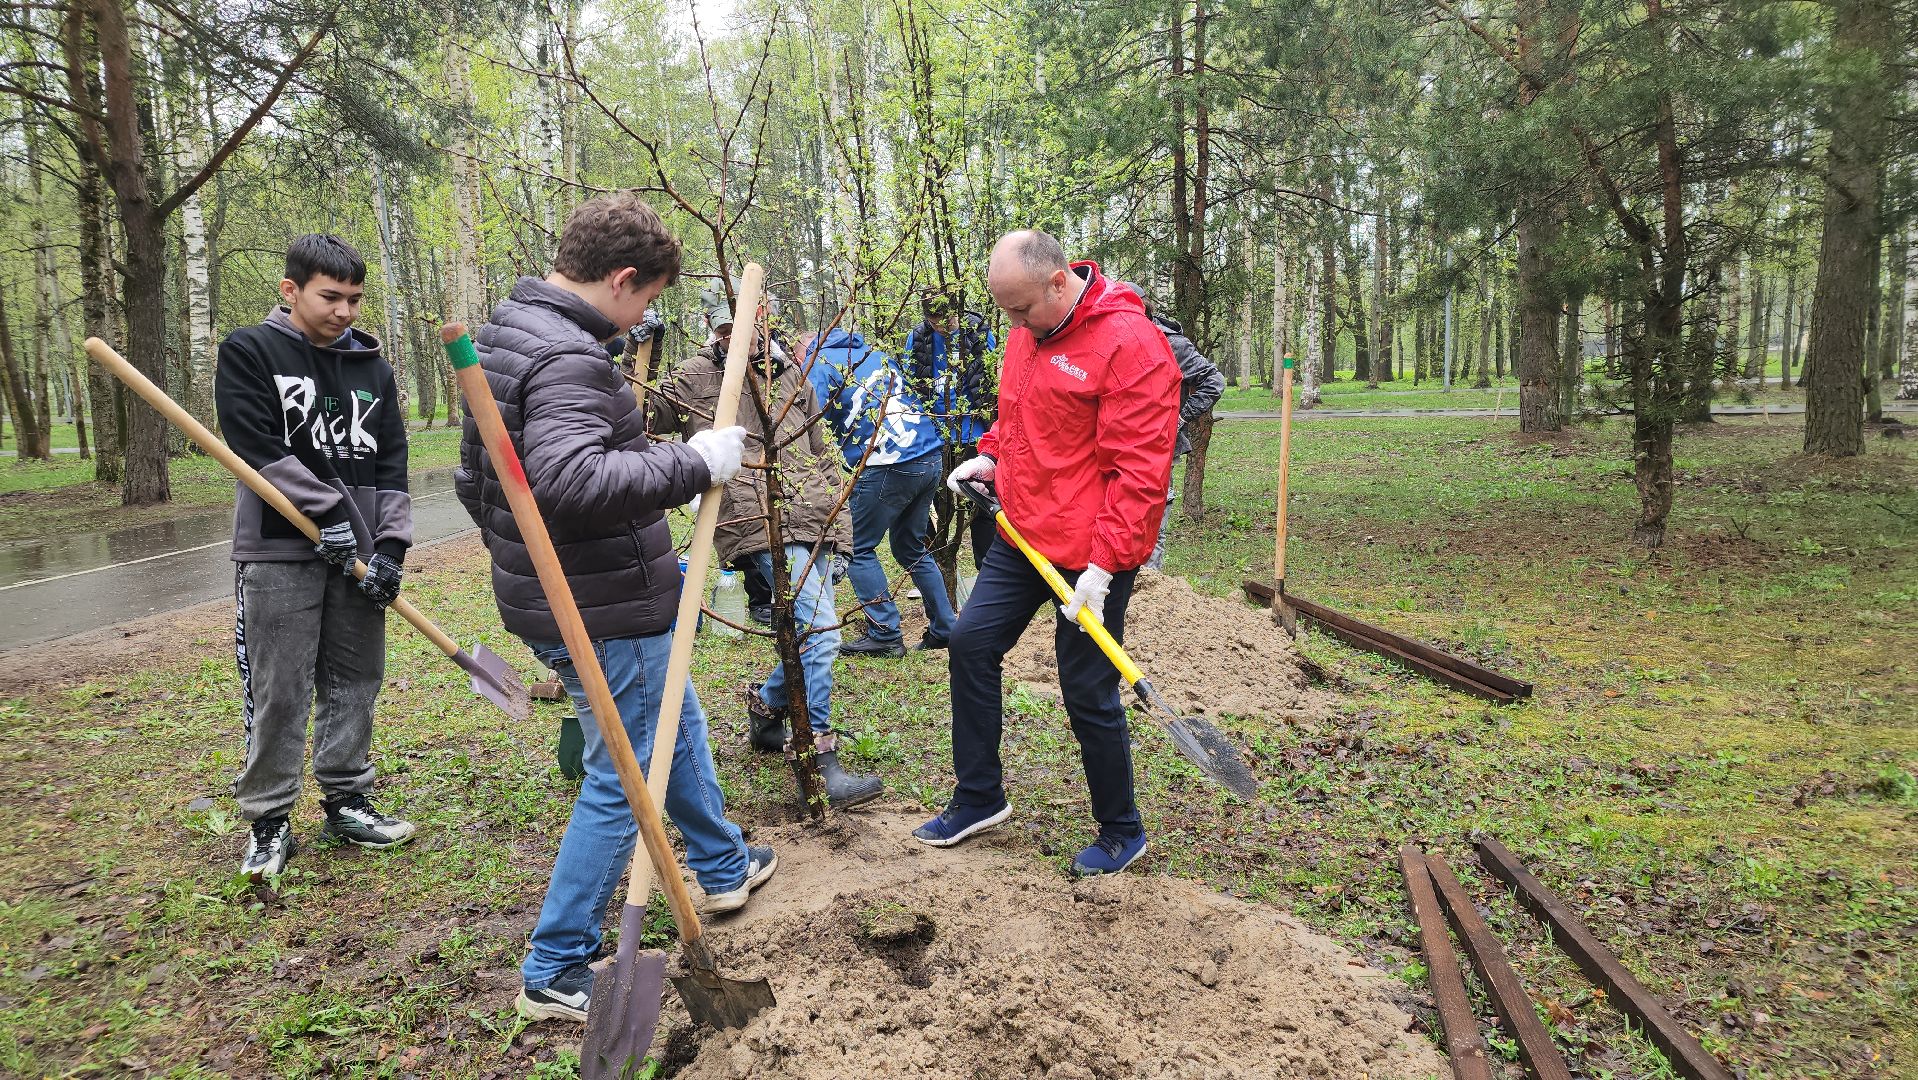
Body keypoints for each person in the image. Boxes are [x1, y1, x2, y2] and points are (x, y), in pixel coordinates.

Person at [454, 194, 774, 1024]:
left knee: (676, 720)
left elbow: (474, 481)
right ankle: (556, 963)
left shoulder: (507, 331)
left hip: (564, 592)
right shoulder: (567, 358)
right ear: (624, 280)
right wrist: (693, 463)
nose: (649, 315)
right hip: (603, 599)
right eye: (650, 299)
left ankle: (721, 862)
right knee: (624, 772)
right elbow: (574, 481)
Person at [915, 230, 1180, 877]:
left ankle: (1122, 830)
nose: (1015, 324)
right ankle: (979, 796)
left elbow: (1140, 472)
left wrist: (1105, 566)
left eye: (1021, 310)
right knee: (971, 644)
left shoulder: (1130, 346)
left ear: (1059, 282)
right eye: (1007, 311)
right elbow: (1022, 415)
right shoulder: (1030, 326)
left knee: (1086, 687)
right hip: (1022, 534)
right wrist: (991, 454)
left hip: (1091, 553)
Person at [215, 234, 416, 882]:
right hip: (277, 550)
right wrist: (325, 512)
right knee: (281, 689)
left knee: (357, 680)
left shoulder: (374, 371)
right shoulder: (250, 352)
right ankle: (270, 821)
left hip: (356, 554)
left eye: (355, 298)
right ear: (291, 289)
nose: (346, 310)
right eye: (332, 296)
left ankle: (347, 800)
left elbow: (390, 463)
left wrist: (387, 547)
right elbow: (253, 443)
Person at [652, 298, 884, 809]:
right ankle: (820, 760)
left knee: (805, 636)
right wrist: (640, 353)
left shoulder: (792, 375)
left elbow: (821, 458)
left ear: (766, 325)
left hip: (814, 518)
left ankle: (767, 706)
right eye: (725, 327)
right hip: (758, 521)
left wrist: (841, 534)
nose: (736, 336)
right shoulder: (693, 378)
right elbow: (641, 412)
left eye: (747, 325)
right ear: (712, 328)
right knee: (821, 637)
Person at [806, 321, 958, 657]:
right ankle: (946, 627)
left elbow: (809, 416)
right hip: (928, 455)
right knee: (910, 546)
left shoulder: (818, 362)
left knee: (856, 547)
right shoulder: (872, 353)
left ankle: (885, 633)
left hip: (888, 463)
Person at [1115, 283, 1225, 571]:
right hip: (1117, 445)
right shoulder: (1113, 338)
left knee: (1153, 518)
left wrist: (1179, 418)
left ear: (1142, 309)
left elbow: (1213, 380)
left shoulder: (1172, 344)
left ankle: (1150, 590)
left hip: (1159, 448)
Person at [904, 292, 1000, 569]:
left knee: (982, 505)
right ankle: (941, 567)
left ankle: (986, 568)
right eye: (935, 324)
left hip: (974, 434)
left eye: (947, 322)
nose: (942, 329)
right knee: (939, 505)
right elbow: (912, 383)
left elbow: (992, 382)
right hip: (936, 436)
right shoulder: (918, 338)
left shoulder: (979, 333)